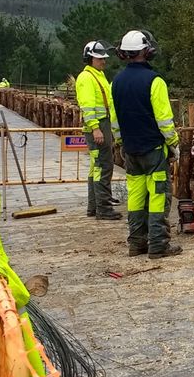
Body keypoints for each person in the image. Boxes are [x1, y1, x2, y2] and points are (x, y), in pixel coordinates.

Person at [112, 29, 181, 259]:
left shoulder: (117, 82)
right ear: (146, 51)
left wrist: (121, 141)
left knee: (136, 196)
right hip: (153, 149)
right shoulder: (155, 81)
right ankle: (158, 245)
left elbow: (115, 119)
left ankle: (136, 243)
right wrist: (174, 143)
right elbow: (164, 119)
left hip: (130, 150)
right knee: (159, 196)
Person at [76, 40, 122, 220]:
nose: (103, 61)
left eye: (104, 58)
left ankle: (94, 206)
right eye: (99, 58)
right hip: (97, 126)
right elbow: (87, 106)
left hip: (102, 125)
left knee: (97, 167)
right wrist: (96, 128)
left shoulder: (98, 76)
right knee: (103, 166)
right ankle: (103, 208)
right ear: (90, 58)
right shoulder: (87, 78)